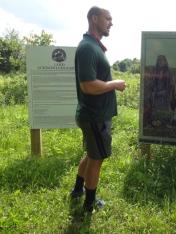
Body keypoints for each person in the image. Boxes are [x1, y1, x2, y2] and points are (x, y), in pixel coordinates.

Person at [70, 6, 126, 214]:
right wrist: (115, 83)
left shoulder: (93, 46)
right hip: (95, 116)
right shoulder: (87, 48)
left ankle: (77, 190)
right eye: (107, 18)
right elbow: (88, 86)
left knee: (91, 153)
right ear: (94, 19)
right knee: (96, 159)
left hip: (93, 115)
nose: (111, 22)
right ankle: (89, 206)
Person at [148, 55, 173, 127]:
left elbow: (170, 85)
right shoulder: (155, 71)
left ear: (165, 62)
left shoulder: (168, 72)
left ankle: (166, 122)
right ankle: (157, 122)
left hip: (165, 95)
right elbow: (152, 83)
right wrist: (154, 91)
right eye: (159, 60)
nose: (160, 62)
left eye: (162, 60)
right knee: (156, 109)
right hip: (156, 95)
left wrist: (165, 92)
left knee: (165, 109)